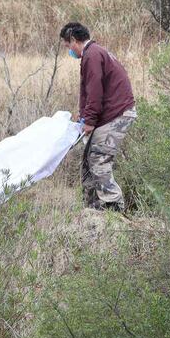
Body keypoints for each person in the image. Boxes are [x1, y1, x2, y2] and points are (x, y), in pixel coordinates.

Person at [60, 22, 136, 212]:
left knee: (98, 158)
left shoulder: (92, 55)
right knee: (88, 159)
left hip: (116, 114)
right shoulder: (95, 53)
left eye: (67, 46)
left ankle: (113, 208)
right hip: (111, 114)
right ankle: (93, 209)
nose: (68, 50)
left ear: (73, 40)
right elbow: (90, 92)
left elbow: (95, 92)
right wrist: (84, 115)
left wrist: (90, 121)